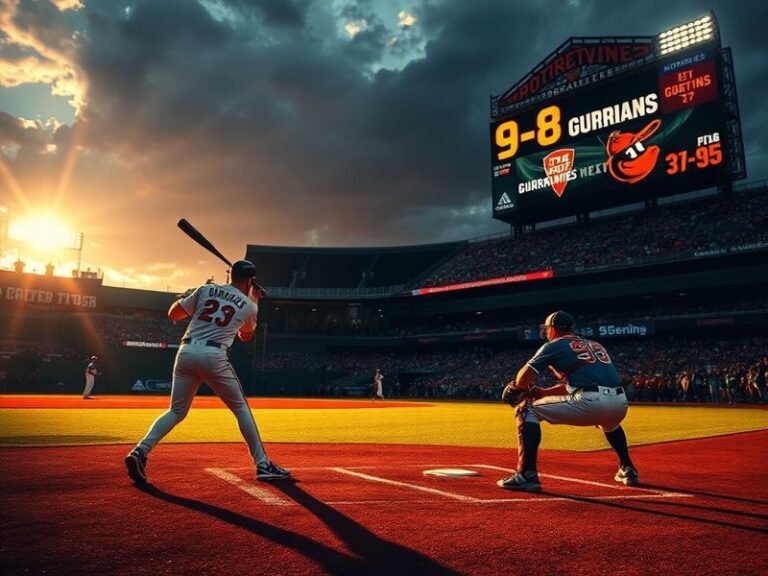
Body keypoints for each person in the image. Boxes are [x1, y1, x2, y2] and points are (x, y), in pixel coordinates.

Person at [125, 260, 290, 484]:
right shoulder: (250, 305)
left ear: (231, 275)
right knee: (241, 408)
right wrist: (254, 299)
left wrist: (190, 294)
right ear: (250, 280)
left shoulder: (206, 289)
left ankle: (140, 451)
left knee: (176, 411)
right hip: (213, 355)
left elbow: (173, 314)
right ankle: (262, 464)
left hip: (185, 351)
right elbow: (246, 336)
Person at [498, 311, 638, 492]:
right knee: (609, 424)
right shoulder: (594, 344)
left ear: (553, 329)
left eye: (547, 329)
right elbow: (578, 384)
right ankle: (628, 469)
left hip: (591, 402)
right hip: (619, 403)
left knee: (526, 409)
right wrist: (544, 392)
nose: (546, 332)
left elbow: (524, 378)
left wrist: (517, 388)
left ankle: (527, 475)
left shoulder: (555, 344)